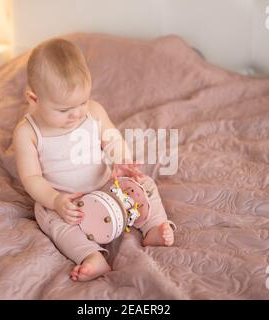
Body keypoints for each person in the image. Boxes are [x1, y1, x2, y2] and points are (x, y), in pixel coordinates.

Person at [13, 38, 176, 282]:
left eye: (82, 102)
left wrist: (121, 161)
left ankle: (154, 226)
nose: (77, 113)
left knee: (145, 185)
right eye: (63, 109)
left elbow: (112, 139)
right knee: (49, 218)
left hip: (105, 185)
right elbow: (31, 177)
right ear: (34, 99)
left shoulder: (94, 112)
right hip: (66, 199)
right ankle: (91, 256)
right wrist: (55, 200)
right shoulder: (27, 132)